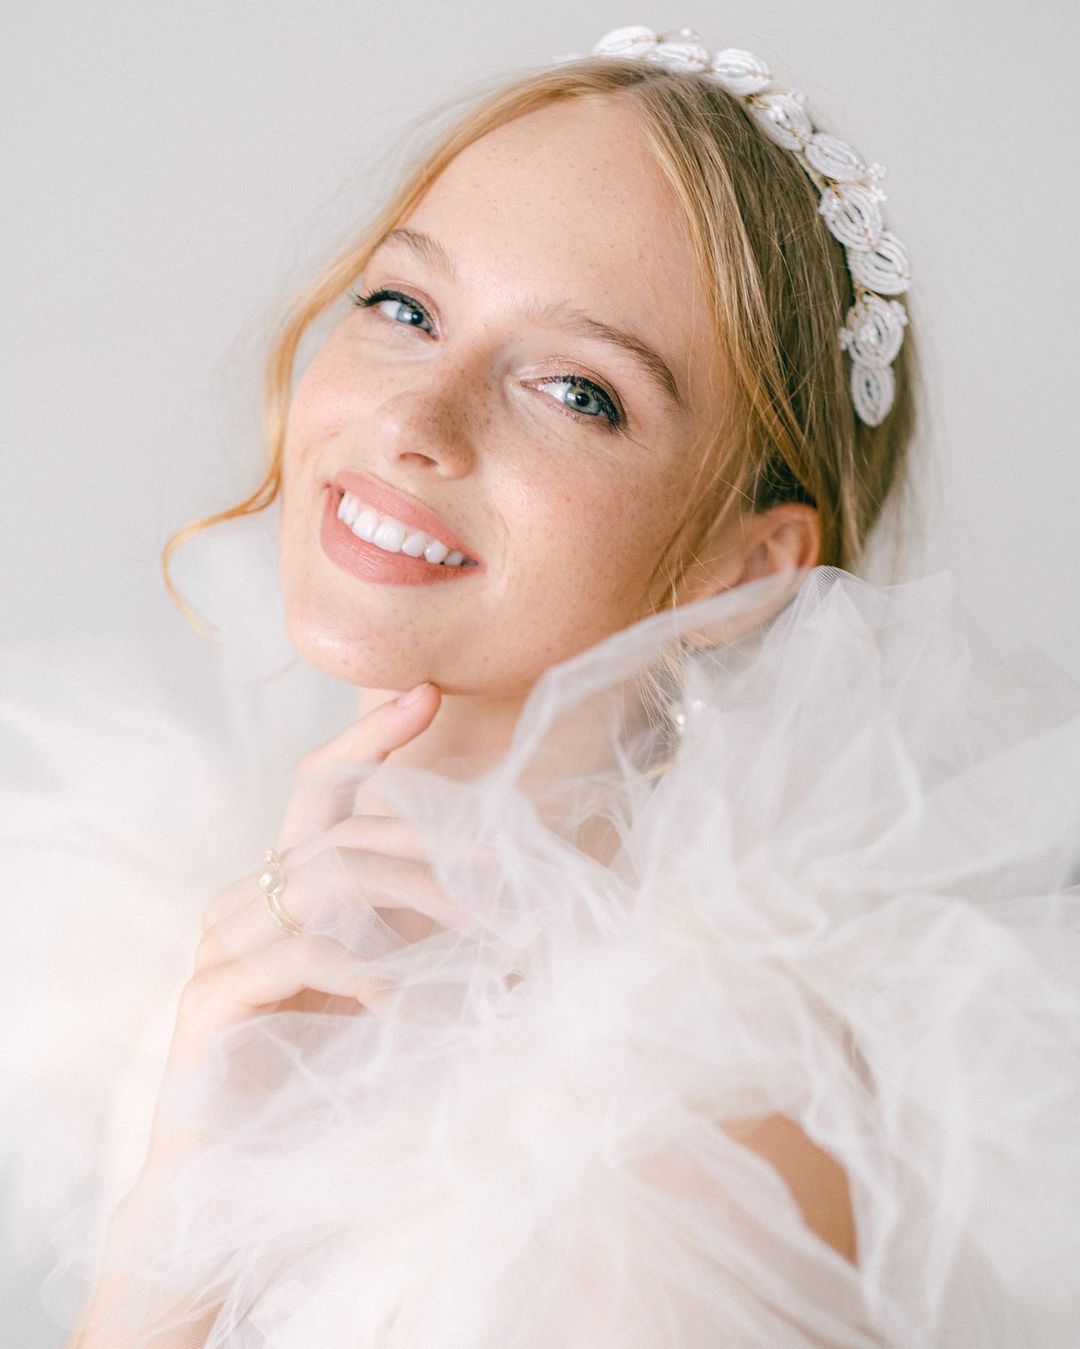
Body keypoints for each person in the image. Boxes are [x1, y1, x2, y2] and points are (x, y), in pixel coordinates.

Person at [25, 25, 1080, 1347]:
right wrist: (184, 1203)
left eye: (577, 390)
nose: (415, 418)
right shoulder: (208, 942)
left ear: (745, 568)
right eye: (404, 307)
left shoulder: (701, 1132)